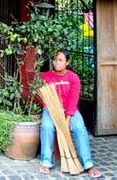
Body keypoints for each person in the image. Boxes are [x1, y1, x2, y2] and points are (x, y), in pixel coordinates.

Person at [39, 50, 102, 178]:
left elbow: (73, 100)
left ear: (67, 62)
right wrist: (54, 113)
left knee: (79, 128)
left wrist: (67, 118)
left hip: (70, 110)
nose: (57, 62)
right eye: (55, 59)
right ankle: (46, 161)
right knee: (46, 127)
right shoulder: (47, 77)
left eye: (60, 60)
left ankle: (88, 164)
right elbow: (45, 99)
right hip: (51, 110)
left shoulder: (73, 77)